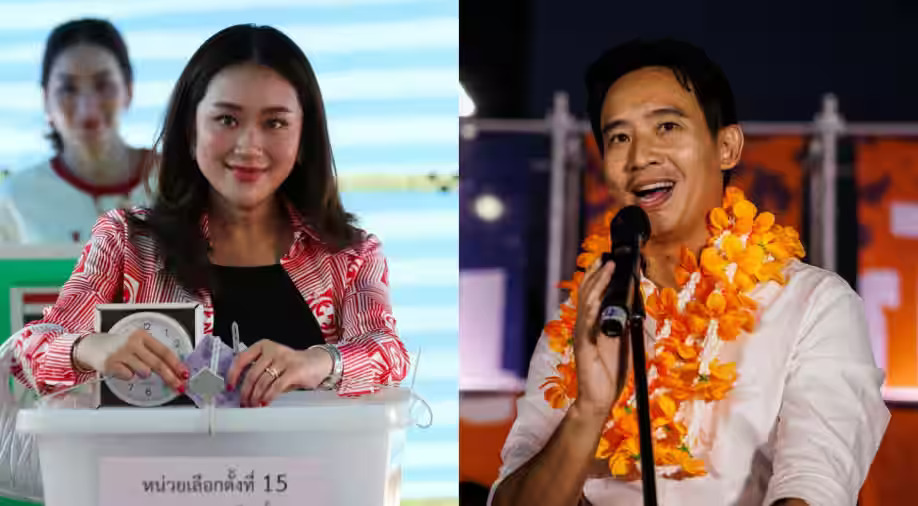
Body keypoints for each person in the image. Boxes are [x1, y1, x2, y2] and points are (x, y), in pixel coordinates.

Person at [490, 39, 889, 506]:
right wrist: (589, 411)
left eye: (667, 126)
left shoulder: (812, 304)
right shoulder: (584, 318)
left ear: (726, 146)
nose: (641, 156)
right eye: (619, 137)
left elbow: (814, 487)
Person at [9, 24, 409, 407]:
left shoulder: (351, 255)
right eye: (227, 119)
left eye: (275, 123)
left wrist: (318, 362)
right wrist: (88, 348)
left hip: (312, 476)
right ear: (190, 129)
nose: (249, 145)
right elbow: (27, 353)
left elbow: (388, 354)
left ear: (304, 137)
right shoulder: (125, 242)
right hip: (155, 477)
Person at [0, 18, 155, 244]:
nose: (88, 109)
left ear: (128, 91)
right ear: (46, 101)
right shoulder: (15, 200)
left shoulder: (181, 184)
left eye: (103, 85)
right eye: (68, 89)